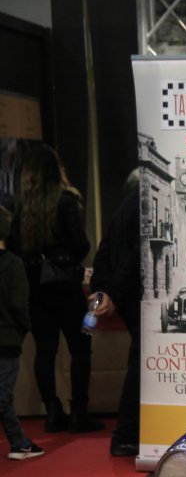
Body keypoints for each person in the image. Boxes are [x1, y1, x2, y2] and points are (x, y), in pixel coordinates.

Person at [8, 143, 101, 433]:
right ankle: (79, 413)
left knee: (45, 351)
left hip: (35, 286)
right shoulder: (66, 200)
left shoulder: (19, 206)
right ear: (55, 168)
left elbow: (14, 247)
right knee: (81, 348)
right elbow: (80, 245)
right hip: (65, 284)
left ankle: (52, 412)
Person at [89, 169, 142, 456]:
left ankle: (128, 433)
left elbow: (104, 252)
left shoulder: (121, 210)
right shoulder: (143, 208)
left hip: (126, 298)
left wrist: (101, 290)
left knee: (139, 362)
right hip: (137, 295)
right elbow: (136, 257)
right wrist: (116, 294)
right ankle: (127, 434)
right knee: (140, 365)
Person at [0, 203, 44, 459]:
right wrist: (25, 326)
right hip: (7, 339)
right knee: (3, 394)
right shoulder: (13, 264)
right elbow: (19, 304)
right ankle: (19, 443)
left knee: (4, 396)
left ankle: (19, 442)